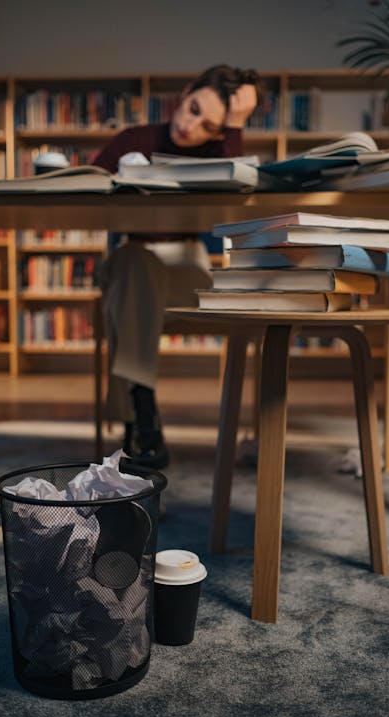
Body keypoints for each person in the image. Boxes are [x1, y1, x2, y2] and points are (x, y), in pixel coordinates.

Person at [93, 64, 263, 469]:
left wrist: (235, 127)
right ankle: (143, 407)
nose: (190, 127)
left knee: (127, 297)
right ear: (185, 91)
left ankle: (136, 415)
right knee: (133, 266)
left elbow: (237, 205)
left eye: (209, 126)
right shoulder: (133, 139)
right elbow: (86, 192)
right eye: (192, 109)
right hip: (132, 257)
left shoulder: (220, 151)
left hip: (185, 264)